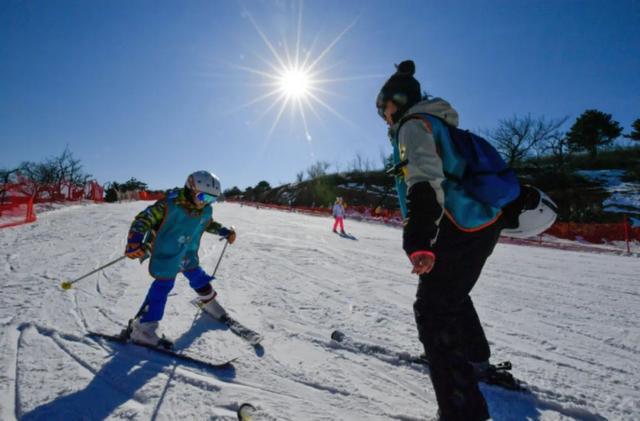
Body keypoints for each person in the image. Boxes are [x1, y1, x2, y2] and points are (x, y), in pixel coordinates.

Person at [377, 60, 505, 420]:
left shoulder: (412, 126)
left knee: (432, 308)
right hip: (481, 223)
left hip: (454, 223)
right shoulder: (437, 122)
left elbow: (424, 180)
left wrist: (418, 238)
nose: (383, 117)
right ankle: (476, 360)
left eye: (383, 108)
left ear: (395, 101)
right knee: (451, 295)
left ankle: (462, 412)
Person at [124, 170, 236, 346]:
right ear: (190, 189)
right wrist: (134, 240)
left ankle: (209, 303)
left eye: (211, 199)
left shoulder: (205, 210)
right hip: (167, 251)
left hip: (186, 251)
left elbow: (207, 223)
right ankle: (143, 328)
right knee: (164, 285)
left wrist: (223, 231)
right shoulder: (169, 205)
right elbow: (143, 219)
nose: (205, 203)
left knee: (197, 276)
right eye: (202, 198)